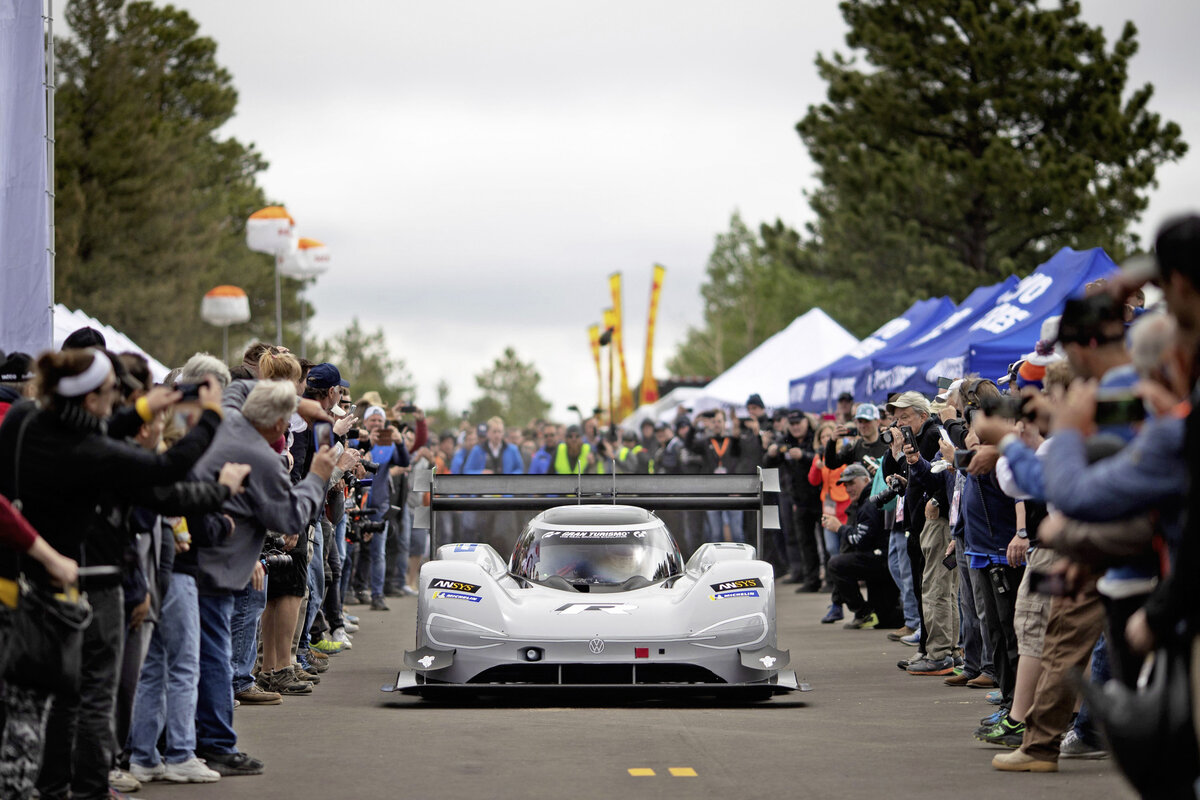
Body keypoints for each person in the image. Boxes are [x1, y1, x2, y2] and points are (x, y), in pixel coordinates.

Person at [0, 349, 227, 800]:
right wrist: (211, 419)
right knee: (76, 698)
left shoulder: (27, 419)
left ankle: (52, 788)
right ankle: (82, 790)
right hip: (54, 593)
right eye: (111, 393)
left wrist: (144, 408)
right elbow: (166, 470)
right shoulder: (86, 451)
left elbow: (99, 431)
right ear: (90, 399)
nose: (116, 400)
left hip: (15, 582)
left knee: (43, 703)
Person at [181, 380, 337, 776]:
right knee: (214, 658)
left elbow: (238, 386)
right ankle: (216, 745)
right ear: (280, 424)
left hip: (192, 559)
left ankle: (186, 743)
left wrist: (297, 402)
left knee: (193, 657)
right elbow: (289, 517)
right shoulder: (261, 459)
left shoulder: (231, 418)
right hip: (217, 567)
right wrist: (317, 476)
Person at [823, 464, 895, 630]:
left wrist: (839, 528)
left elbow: (859, 540)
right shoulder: (866, 499)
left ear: (866, 480)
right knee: (884, 621)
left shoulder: (870, 502)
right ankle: (868, 613)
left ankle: (863, 613)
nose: (848, 488)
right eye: (845, 485)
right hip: (882, 558)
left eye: (852, 483)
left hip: (883, 560)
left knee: (836, 564)